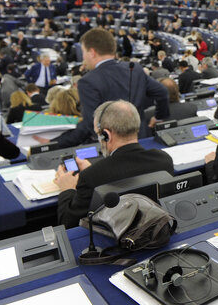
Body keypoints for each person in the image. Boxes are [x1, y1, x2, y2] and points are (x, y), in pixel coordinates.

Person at [54, 100, 173, 228]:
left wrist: (67, 190)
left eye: (98, 134)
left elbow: (68, 224)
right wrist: (93, 170)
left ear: (107, 135)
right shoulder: (163, 160)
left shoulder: (91, 177)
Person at [47, 28, 169, 148]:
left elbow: (90, 126)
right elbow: (162, 92)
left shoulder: (87, 82)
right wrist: (158, 117)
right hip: (142, 140)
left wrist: (52, 144)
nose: (83, 57)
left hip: (114, 149)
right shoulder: (135, 69)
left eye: (84, 52)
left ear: (92, 52)